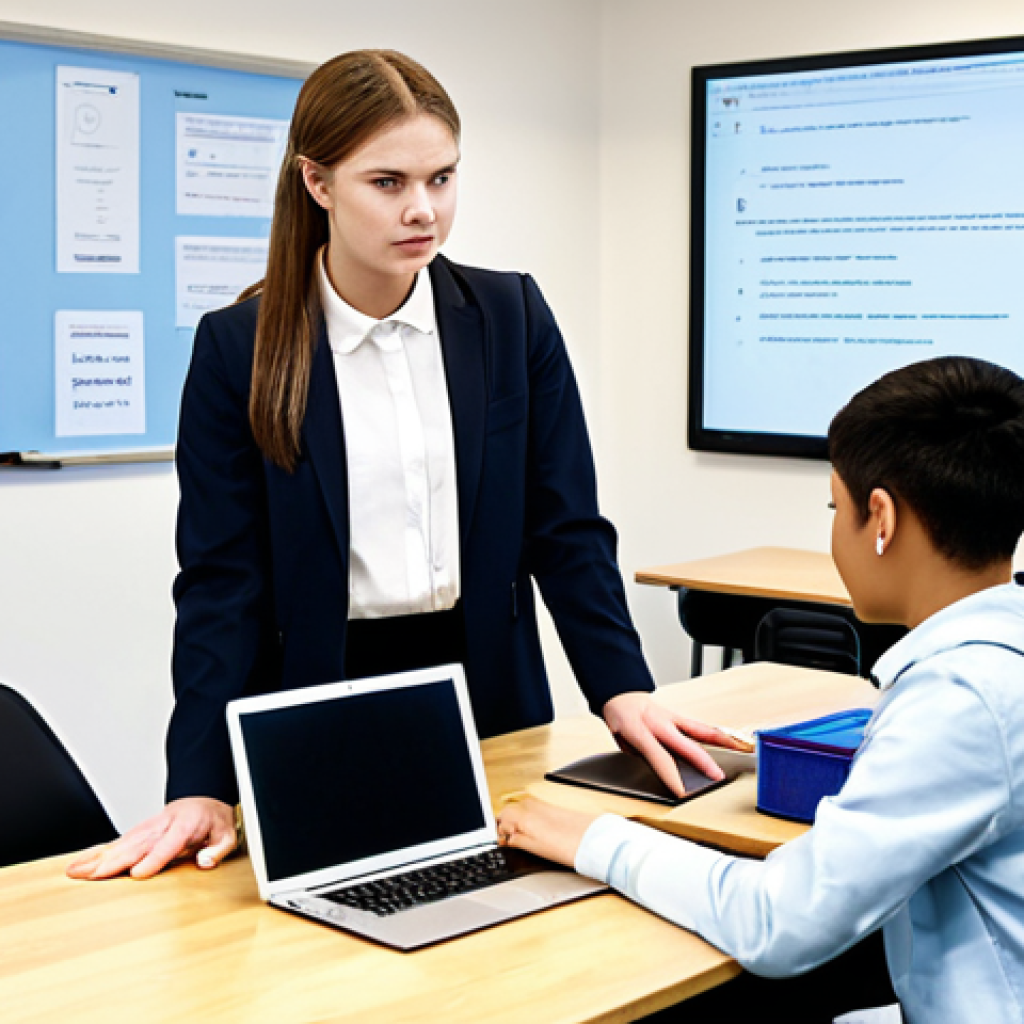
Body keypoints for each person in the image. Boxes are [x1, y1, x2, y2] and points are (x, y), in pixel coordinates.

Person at [68, 50, 741, 882]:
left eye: (442, 178)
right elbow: (220, 583)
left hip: (488, 696)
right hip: (318, 703)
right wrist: (200, 783)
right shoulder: (236, 350)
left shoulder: (511, 316)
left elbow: (565, 529)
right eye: (387, 183)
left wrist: (623, 689)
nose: (422, 210)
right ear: (318, 183)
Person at [497, 355, 1024, 1024]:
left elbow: (781, 923)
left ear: (882, 519)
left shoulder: (960, 699)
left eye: (837, 506)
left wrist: (596, 838)